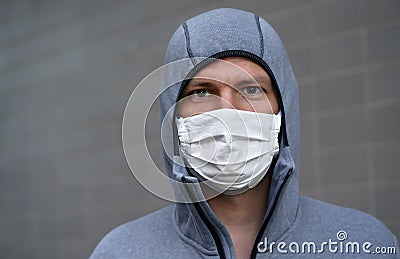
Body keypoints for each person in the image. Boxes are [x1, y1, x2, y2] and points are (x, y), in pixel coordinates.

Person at [90, 8, 399, 258]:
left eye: (251, 89)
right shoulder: (120, 251)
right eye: (201, 92)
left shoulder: (363, 243)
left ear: (283, 109)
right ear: (174, 114)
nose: (228, 113)